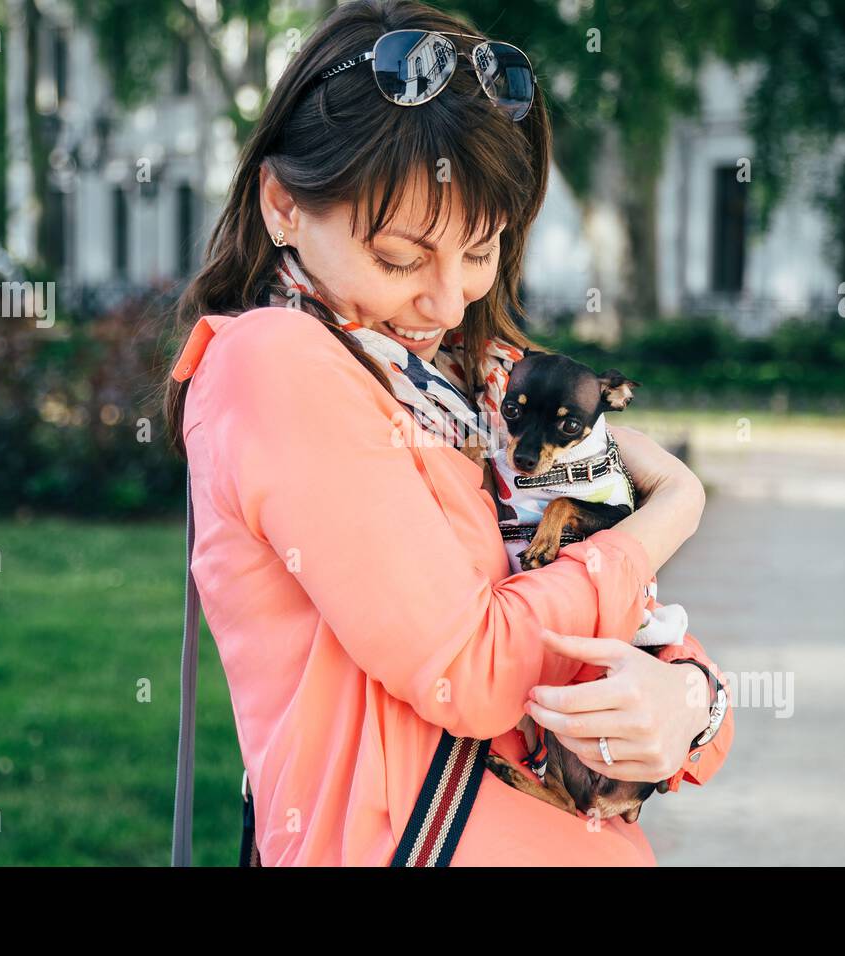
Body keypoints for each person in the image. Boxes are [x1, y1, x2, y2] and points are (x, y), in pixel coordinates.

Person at [163, 0, 733, 866]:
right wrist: (671, 517)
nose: (445, 299)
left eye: (481, 251)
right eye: (400, 259)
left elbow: (643, 632)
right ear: (283, 204)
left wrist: (690, 705)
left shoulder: (486, 379)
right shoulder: (276, 365)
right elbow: (470, 669)